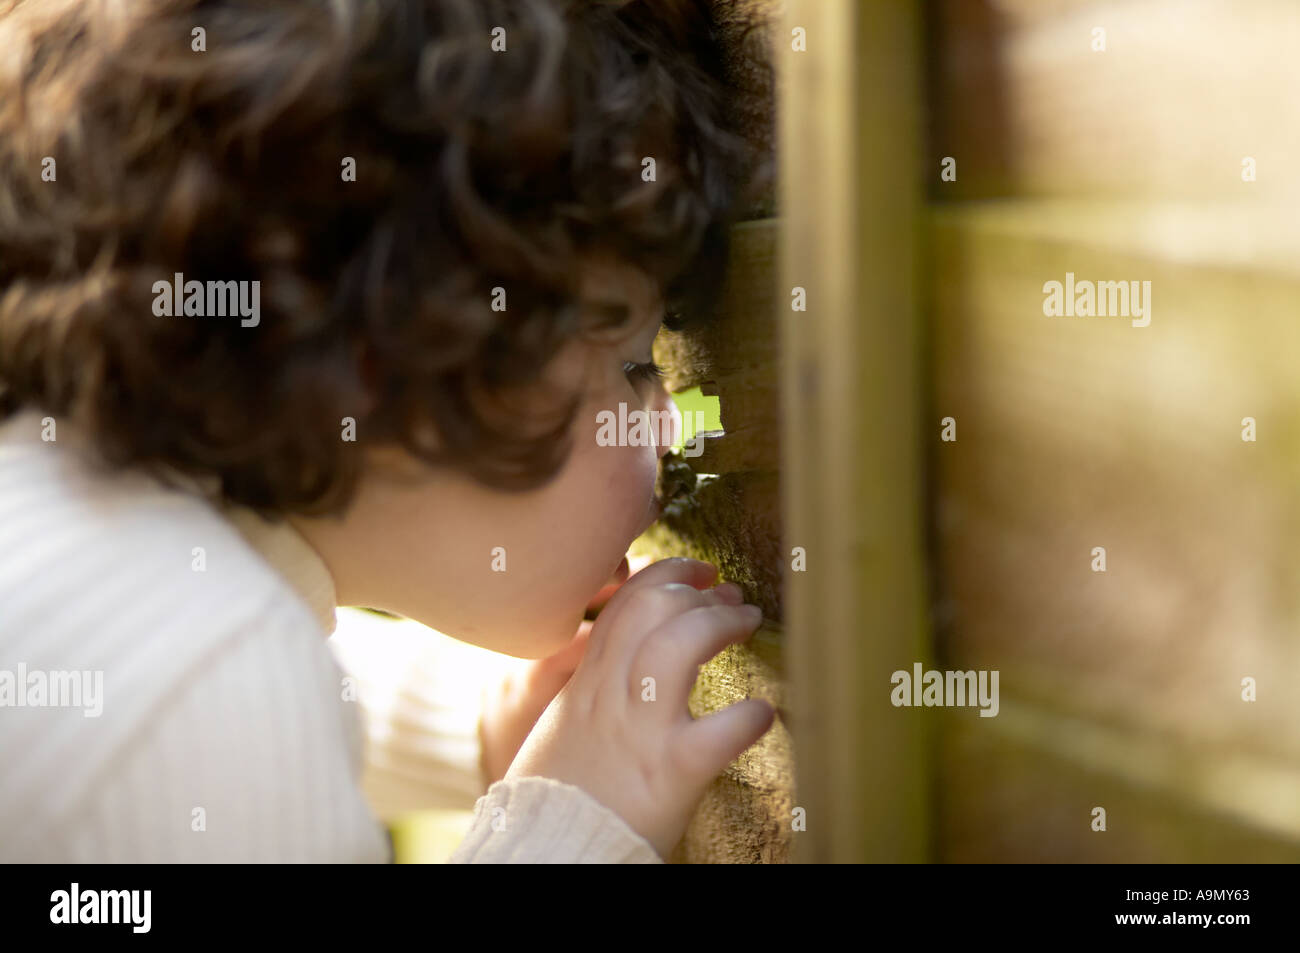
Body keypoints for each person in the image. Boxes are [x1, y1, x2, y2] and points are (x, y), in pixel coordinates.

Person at [0, 0, 774, 862]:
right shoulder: (207, 677)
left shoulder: (79, 513)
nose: (663, 420)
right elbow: (195, 696)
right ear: (398, 362)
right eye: (632, 363)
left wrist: (473, 724)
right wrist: (571, 826)